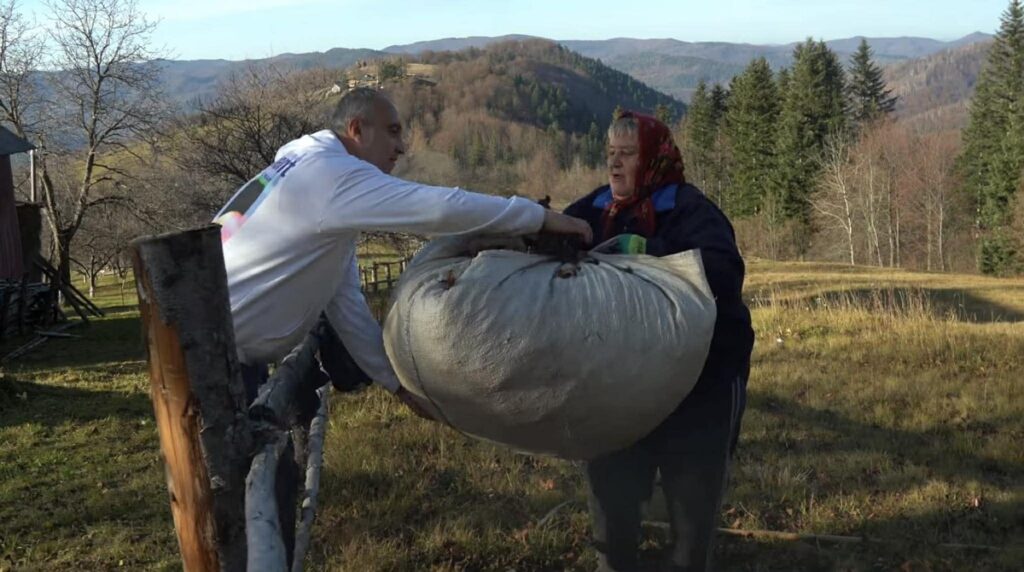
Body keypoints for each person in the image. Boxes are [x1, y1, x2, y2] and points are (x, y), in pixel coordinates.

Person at [215, 87, 592, 414]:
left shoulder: (310, 176)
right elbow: (441, 209)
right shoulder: (330, 176)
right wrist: (538, 218)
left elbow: (345, 303)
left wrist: (395, 385)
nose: (401, 147)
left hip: (224, 349)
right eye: (392, 131)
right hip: (209, 357)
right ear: (357, 129)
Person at [563, 111, 754, 572]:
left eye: (627, 155)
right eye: (609, 154)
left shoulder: (689, 209)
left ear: (654, 159)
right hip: (618, 385)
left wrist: (648, 252)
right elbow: (552, 233)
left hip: (698, 384)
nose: (614, 164)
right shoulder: (592, 210)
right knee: (613, 510)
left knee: (690, 525)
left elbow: (724, 271)